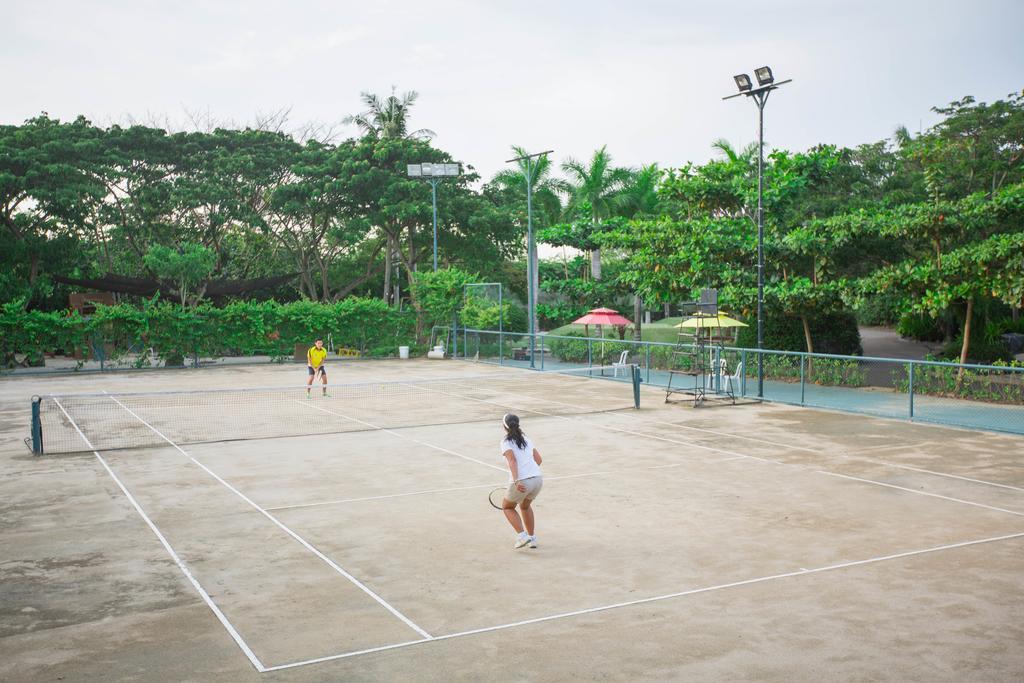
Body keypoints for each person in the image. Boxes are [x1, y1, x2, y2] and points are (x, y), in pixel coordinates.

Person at [499, 413, 543, 549]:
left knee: (507, 507)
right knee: (524, 506)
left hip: (522, 482)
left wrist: (517, 480)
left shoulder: (505, 442)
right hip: (538, 480)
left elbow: (512, 460)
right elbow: (539, 460)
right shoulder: (527, 439)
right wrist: (530, 472)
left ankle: (522, 536)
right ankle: (532, 538)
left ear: (504, 426)